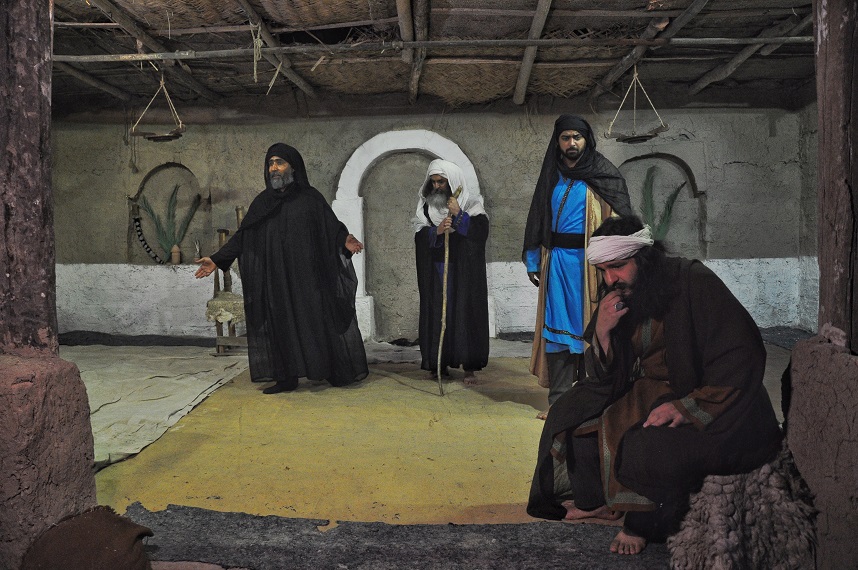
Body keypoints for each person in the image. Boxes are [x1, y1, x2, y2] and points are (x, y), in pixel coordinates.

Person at [526, 215, 783, 555]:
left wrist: (685, 408)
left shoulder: (694, 281)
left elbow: (741, 355)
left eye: (617, 266)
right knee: (574, 419)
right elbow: (606, 377)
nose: (610, 279)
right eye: (603, 270)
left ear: (643, 257)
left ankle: (642, 524)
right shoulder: (623, 293)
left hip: (712, 397)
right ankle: (601, 504)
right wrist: (603, 330)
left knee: (648, 447)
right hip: (648, 390)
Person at [194, 143, 368, 394]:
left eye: (279, 162)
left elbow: (330, 227)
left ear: (293, 167)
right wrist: (217, 259)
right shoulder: (262, 203)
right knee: (281, 325)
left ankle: (327, 369)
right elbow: (243, 237)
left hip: (309, 277)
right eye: (270, 163)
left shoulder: (310, 199)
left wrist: (344, 240)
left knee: (316, 321)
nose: (274, 168)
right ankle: (286, 378)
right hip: (276, 278)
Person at [523, 115, 633, 419]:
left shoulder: (603, 173)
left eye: (577, 137)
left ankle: (590, 400)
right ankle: (559, 402)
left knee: (591, 329)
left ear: (586, 140)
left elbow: (620, 218)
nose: (571, 143)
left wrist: (617, 264)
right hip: (557, 264)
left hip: (590, 267)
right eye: (565, 137)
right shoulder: (552, 174)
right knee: (556, 332)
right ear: (557, 141)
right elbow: (538, 217)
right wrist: (533, 260)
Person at [412, 159, 489, 384]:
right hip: (437, 271)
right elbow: (419, 237)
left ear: (453, 182)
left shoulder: (472, 205)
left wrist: (459, 215)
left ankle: (469, 367)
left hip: (464, 273)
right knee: (437, 315)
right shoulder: (426, 208)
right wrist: (435, 232)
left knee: (465, 314)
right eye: (433, 182)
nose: (437, 187)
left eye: (441, 182)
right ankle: (438, 363)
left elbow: (479, 235)